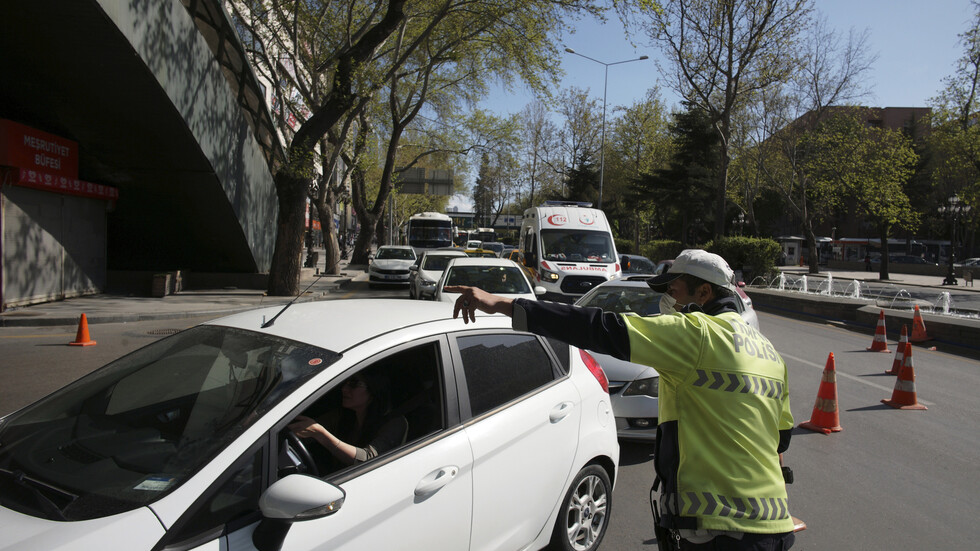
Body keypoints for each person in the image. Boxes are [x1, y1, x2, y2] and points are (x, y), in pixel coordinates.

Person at [445, 249, 796, 550]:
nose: (669, 301)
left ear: (704, 292)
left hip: (721, 531)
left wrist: (503, 303)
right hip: (775, 525)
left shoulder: (698, 335)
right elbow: (780, 438)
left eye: (674, 291)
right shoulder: (770, 353)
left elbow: (599, 327)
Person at [289, 371, 407, 471]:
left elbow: (368, 459)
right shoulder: (343, 415)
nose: (344, 389)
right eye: (346, 383)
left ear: (374, 388)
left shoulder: (394, 423)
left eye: (354, 384)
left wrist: (320, 434)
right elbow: (302, 431)